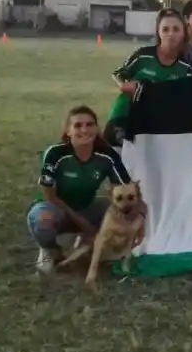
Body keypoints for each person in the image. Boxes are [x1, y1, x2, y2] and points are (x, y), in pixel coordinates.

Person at [27, 106, 135, 274]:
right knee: (42, 219)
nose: (84, 130)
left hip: (87, 206)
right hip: (54, 207)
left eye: (89, 124)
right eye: (77, 126)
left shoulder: (107, 154)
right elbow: (49, 195)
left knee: (119, 212)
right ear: (68, 131)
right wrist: (80, 221)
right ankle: (50, 250)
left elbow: (125, 188)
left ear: (96, 128)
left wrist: (135, 215)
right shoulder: (55, 153)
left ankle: (88, 243)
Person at [105, 9, 192, 145]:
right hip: (123, 117)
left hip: (156, 126)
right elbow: (117, 74)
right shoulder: (142, 55)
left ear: (183, 33)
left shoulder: (185, 68)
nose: (170, 34)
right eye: (165, 29)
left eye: (176, 29)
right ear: (158, 32)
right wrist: (123, 85)